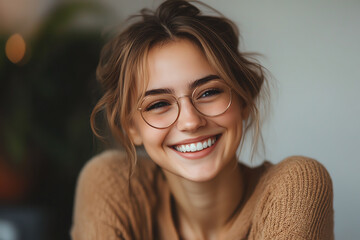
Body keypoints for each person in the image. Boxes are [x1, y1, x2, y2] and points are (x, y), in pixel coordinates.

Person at [71, 0, 334, 239]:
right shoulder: (111, 184)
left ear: (244, 100)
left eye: (209, 92)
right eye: (159, 104)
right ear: (131, 128)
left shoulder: (296, 186)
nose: (190, 121)